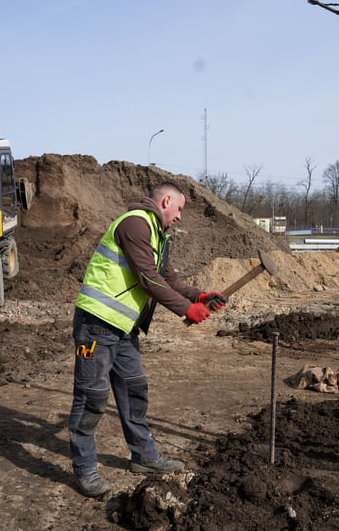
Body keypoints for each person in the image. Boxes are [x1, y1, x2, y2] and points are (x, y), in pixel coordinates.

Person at [68, 182, 227, 498]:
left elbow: (168, 278)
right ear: (166, 200)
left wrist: (200, 295)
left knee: (134, 390)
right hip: (96, 325)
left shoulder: (158, 233)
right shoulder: (134, 224)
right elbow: (148, 278)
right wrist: (187, 310)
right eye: (179, 209)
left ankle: (144, 457)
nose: (180, 216)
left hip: (125, 329)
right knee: (92, 398)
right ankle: (85, 469)